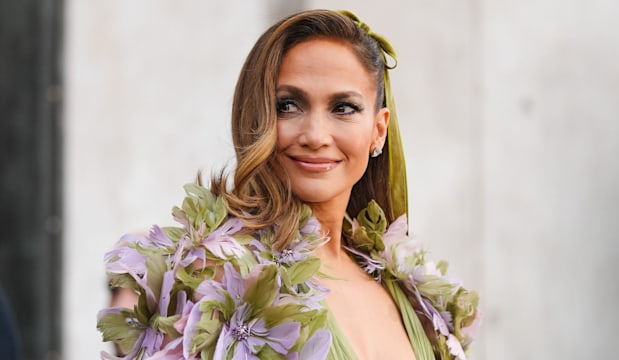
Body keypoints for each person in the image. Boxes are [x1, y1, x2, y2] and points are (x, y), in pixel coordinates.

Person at [98, 9, 480, 360]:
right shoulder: (216, 274)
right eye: (288, 105)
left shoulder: (409, 293)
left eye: (343, 107)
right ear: (256, 118)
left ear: (378, 130)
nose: (315, 135)